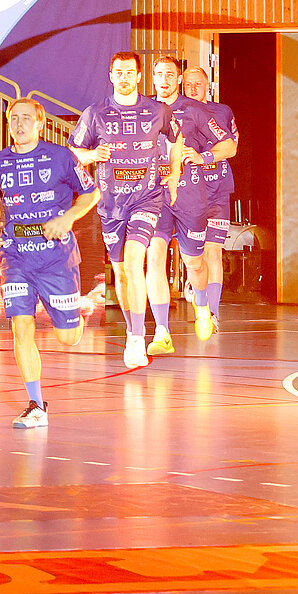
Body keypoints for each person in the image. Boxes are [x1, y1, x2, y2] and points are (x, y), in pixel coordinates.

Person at [0, 98, 98, 429]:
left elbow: (91, 194)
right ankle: (35, 404)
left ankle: (74, 320)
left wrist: (69, 217)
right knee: (21, 324)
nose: (18, 124)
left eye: (25, 118)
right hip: (16, 254)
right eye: (12, 119)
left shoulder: (61, 157)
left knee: (67, 337)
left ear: (40, 123)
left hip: (55, 258)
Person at [69, 52, 174, 369]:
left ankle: (138, 338)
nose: (124, 76)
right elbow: (73, 152)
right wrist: (91, 154)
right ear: (111, 76)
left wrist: (176, 173)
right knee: (123, 273)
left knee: (134, 259)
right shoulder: (95, 113)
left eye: (130, 71)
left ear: (139, 76)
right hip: (111, 204)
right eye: (118, 72)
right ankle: (133, 330)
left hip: (147, 199)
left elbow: (176, 139)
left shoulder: (158, 110)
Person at [141, 57, 234, 355]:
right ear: (152, 78)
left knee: (194, 262)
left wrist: (204, 157)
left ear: (178, 79)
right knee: (154, 257)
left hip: (190, 197)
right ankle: (162, 331)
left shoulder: (195, 110)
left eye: (171, 74)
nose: (164, 79)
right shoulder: (144, 109)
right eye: (159, 74)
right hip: (155, 197)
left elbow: (229, 145)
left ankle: (204, 306)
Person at [181, 67, 238, 335]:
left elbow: (231, 146)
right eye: (188, 84)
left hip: (217, 189)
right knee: (196, 253)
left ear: (208, 86)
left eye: (198, 84)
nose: (193, 89)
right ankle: (195, 285)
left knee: (214, 251)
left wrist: (205, 157)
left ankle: (212, 314)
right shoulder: (174, 112)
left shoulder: (222, 112)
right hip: (188, 192)